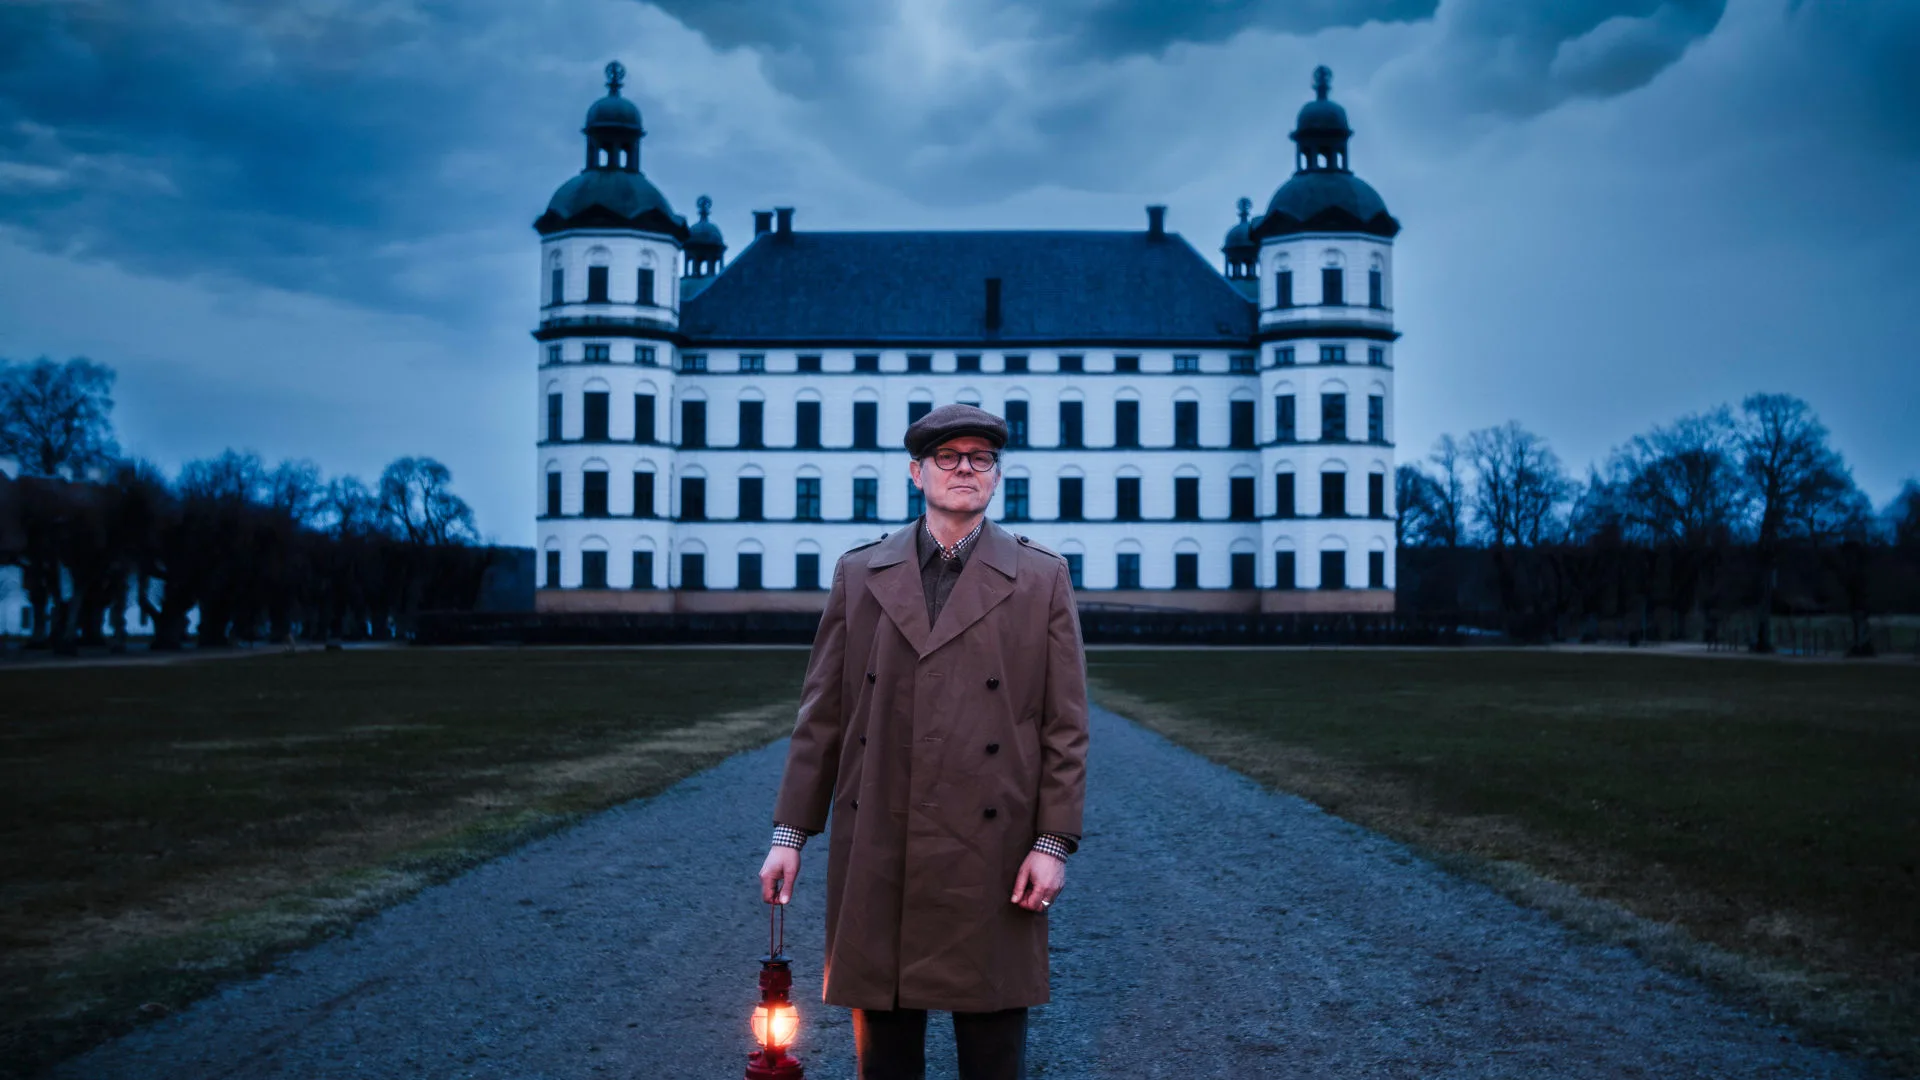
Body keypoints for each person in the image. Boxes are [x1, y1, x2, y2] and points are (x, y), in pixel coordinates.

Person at [758, 402, 1090, 1080]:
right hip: (882, 837)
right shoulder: (860, 573)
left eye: (981, 458)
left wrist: (1052, 844)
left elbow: (1065, 726)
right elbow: (822, 714)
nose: (966, 468)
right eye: (948, 457)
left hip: (992, 849)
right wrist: (789, 835)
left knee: (993, 1052)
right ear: (917, 473)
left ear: (997, 477)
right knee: (884, 1054)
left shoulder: (1041, 576)